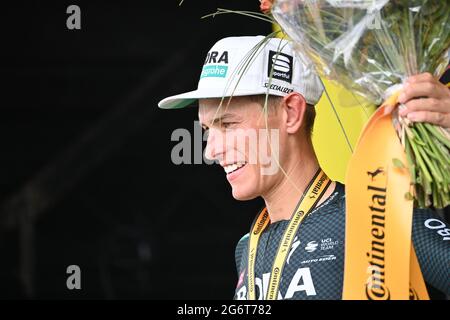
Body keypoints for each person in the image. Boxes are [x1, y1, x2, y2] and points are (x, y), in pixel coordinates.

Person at [158, 36, 450, 299]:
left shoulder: (377, 216)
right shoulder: (247, 246)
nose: (211, 150)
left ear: (291, 112)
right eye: (208, 130)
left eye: (229, 124)